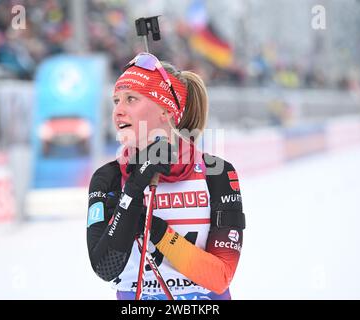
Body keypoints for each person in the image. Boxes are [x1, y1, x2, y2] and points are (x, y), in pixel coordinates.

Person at [87, 52, 246, 300]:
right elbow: (105, 268)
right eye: (116, 100)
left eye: (131, 99)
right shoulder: (107, 177)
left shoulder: (217, 173)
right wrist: (133, 190)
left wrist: (159, 232)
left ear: (166, 111)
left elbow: (220, 276)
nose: (118, 111)